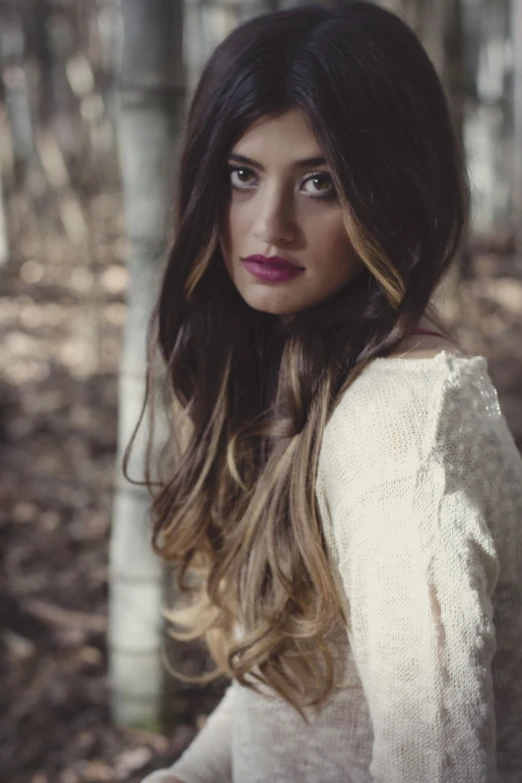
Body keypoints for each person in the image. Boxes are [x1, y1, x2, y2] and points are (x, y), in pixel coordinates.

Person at [138, 2, 522, 781]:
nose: (269, 227)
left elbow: (436, 764)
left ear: (392, 194)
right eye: (242, 175)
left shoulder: (403, 426)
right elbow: (289, 699)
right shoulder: (311, 368)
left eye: (320, 182)